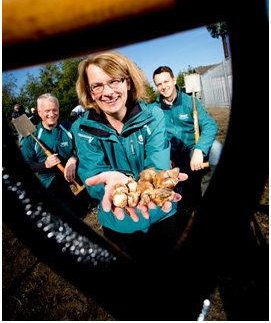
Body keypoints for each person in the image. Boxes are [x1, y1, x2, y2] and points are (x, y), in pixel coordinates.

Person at [71, 51, 188, 261]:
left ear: (128, 82)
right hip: (118, 221)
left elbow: (157, 164)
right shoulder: (81, 129)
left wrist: (149, 188)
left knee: (173, 277)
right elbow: (92, 173)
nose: (107, 92)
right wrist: (111, 186)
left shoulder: (154, 116)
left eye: (114, 81)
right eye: (97, 85)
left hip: (160, 212)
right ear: (90, 92)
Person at [152, 66, 223, 211]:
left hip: (192, 151)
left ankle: (208, 189)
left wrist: (199, 149)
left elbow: (210, 126)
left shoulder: (190, 102)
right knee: (180, 202)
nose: (164, 87)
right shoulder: (154, 109)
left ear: (173, 80)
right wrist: (164, 156)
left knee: (216, 149)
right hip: (170, 155)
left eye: (166, 81)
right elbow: (153, 137)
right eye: (159, 84)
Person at [22, 93, 91, 218]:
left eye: (55, 110)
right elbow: (26, 165)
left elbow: (84, 149)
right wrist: (45, 165)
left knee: (90, 196)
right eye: (47, 111)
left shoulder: (69, 127)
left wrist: (73, 158)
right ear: (39, 111)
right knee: (74, 214)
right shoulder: (30, 137)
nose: (52, 114)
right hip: (51, 179)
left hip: (74, 172)